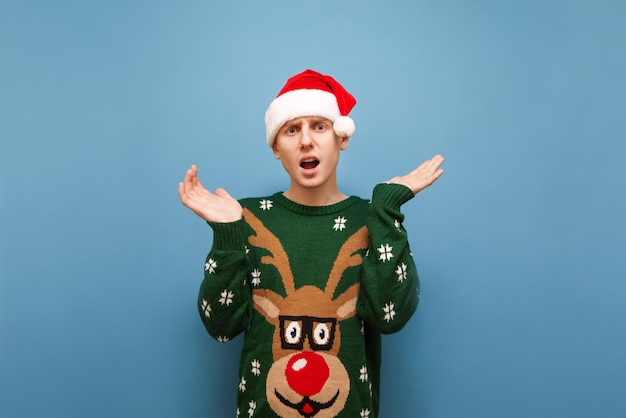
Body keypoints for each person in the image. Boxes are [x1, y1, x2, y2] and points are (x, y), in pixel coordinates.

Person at [179, 69, 444, 417]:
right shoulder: (246, 218)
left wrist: (386, 211)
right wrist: (228, 234)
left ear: (341, 137)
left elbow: (390, 316)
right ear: (276, 146)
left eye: (319, 126)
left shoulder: (371, 218)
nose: (306, 140)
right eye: (292, 129)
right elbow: (221, 327)